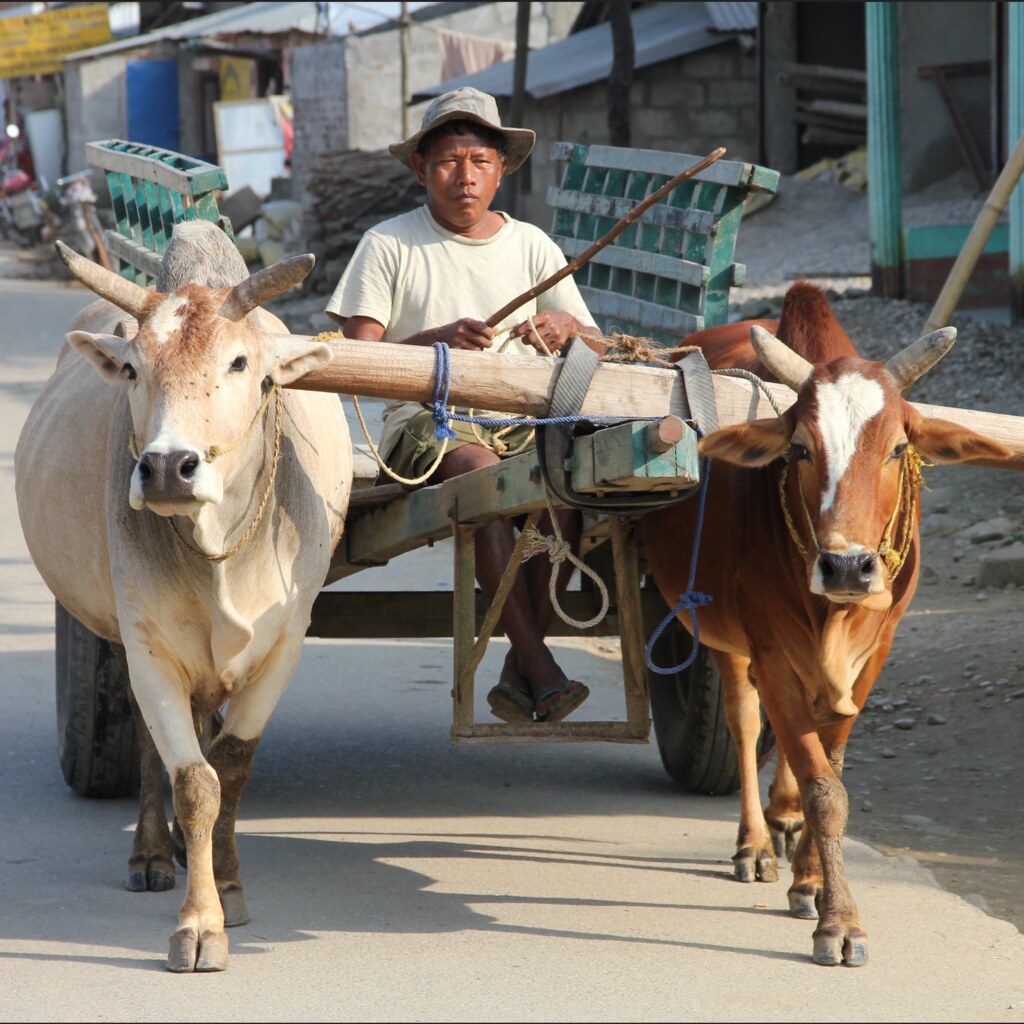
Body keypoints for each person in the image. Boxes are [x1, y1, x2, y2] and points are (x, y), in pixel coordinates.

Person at [326, 87, 605, 725]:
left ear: (502, 170)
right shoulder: (388, 244)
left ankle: (520, 667)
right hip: (431, 427)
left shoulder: (532, 246)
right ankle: (541, 668)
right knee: (485, 479)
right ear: (421, 169)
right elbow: (356, 358)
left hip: (528, 420)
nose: (465, 176)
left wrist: (567, 327)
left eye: (480, 161)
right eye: (450, 161)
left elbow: (595, 341)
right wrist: (435, 342)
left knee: (564, 491)